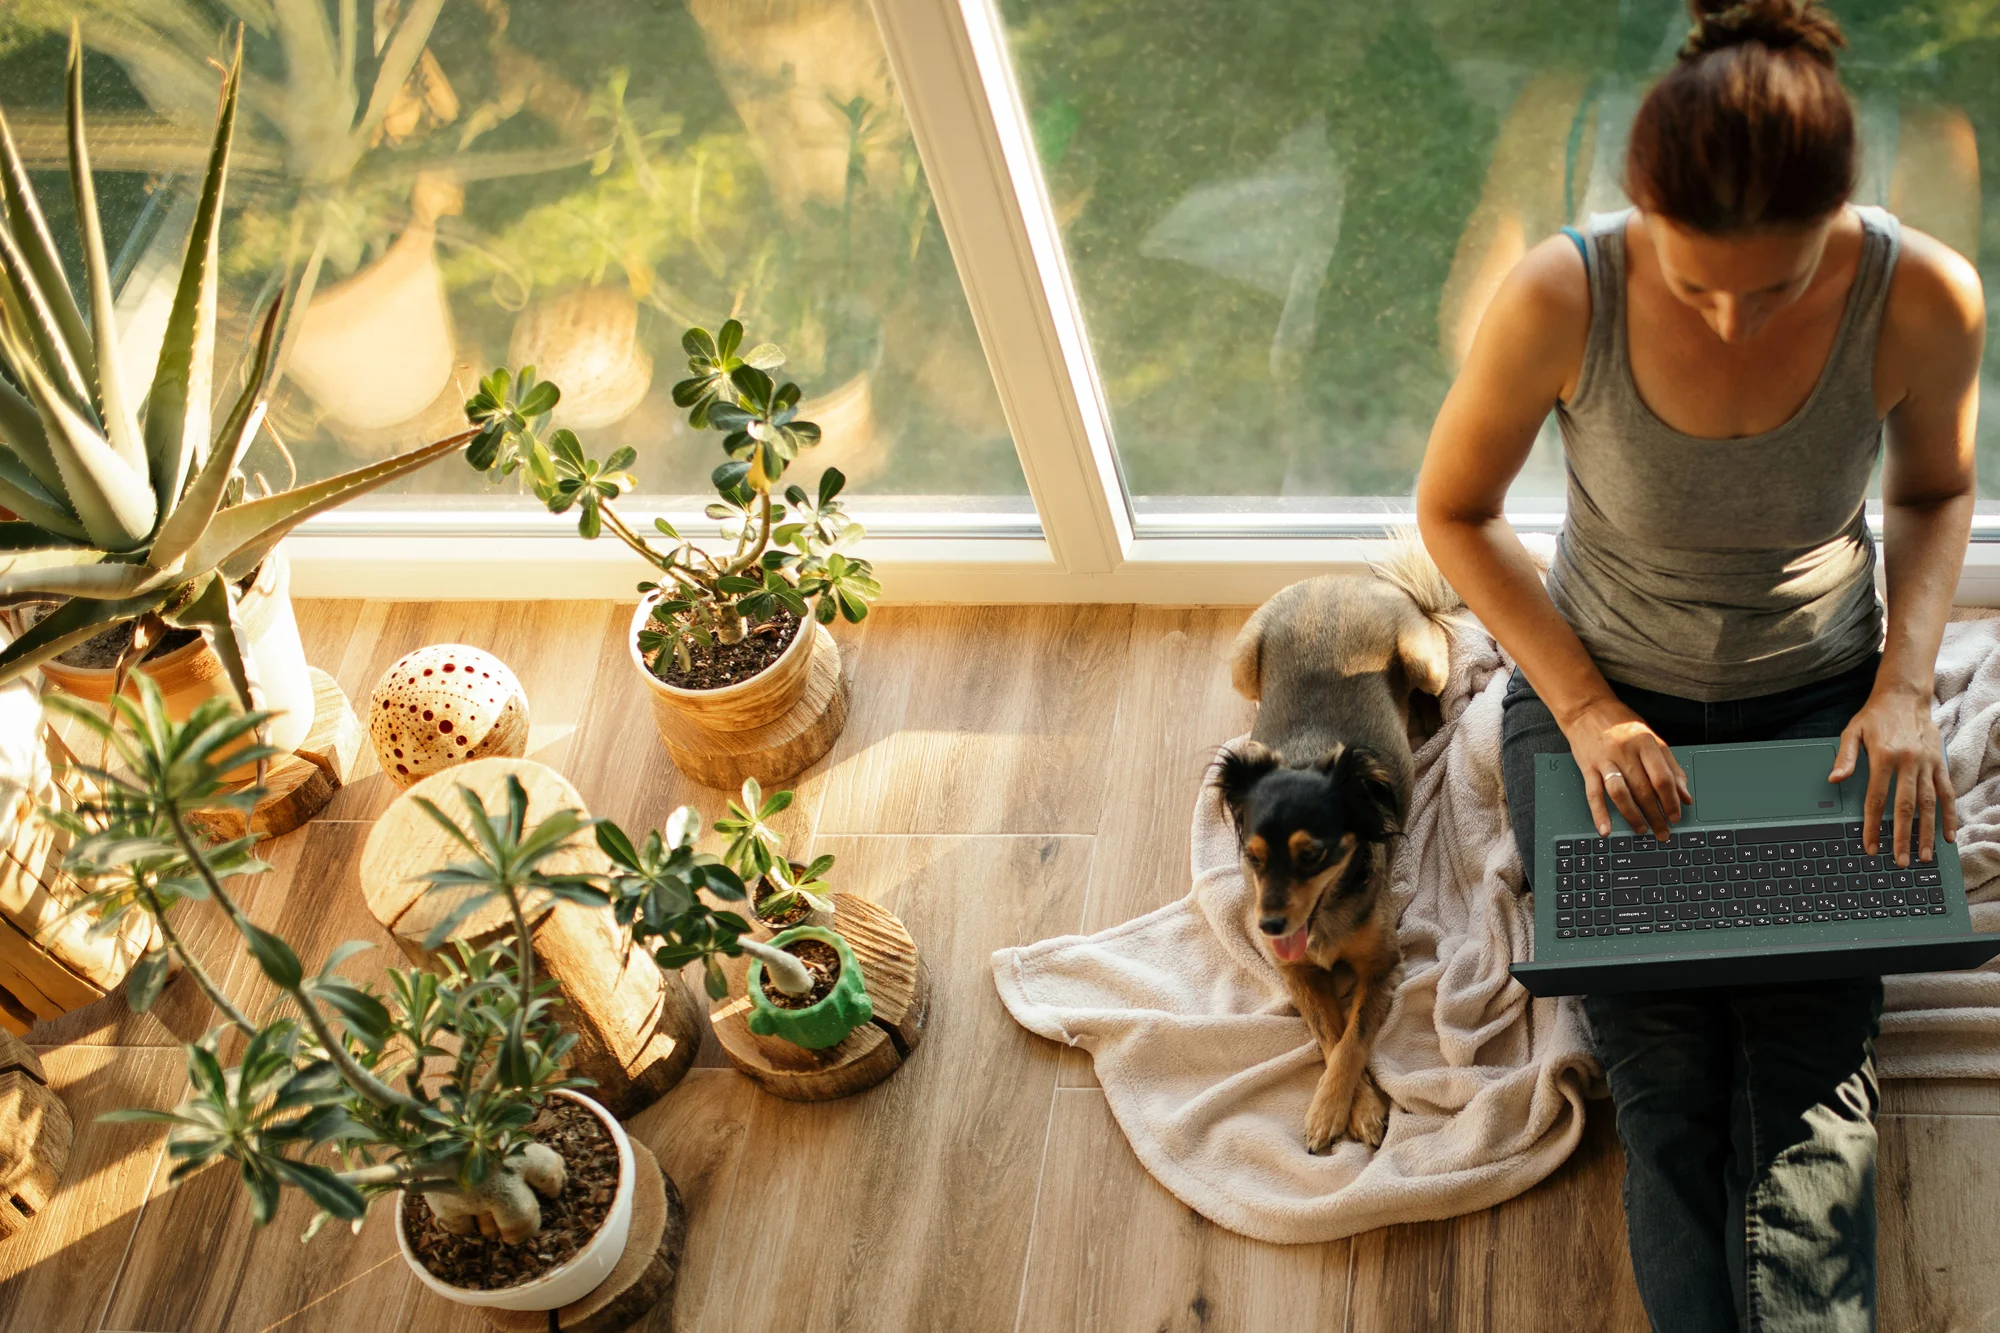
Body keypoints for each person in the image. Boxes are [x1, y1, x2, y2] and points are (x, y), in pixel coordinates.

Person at [1414, 1, 1983, 1329]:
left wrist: (1903, 690)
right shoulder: (1563, 292)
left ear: (1844, 214)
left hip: (1822, 706)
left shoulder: (1925, 296)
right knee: (1665, 1082)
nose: (1730, 322)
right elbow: (1457, 511)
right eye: (1691, 281)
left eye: (1774, 287)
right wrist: (1590, 707)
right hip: (1605, 699)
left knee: (1813, 1085)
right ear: (1637, 210)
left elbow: (1938, 493)